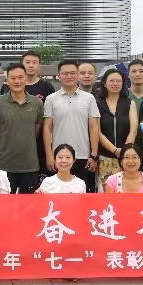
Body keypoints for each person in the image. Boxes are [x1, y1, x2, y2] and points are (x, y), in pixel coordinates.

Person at [43, 60, 100, 192]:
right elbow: (47, 128)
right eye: (65, 73)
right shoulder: (51, 99)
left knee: (83, 196)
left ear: (77, 75)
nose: (69, 76)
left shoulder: (89, 98)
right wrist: (49, 156)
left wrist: (94, 155)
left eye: (73, 73)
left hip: (83, 156)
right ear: (59, 76)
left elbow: (94, 128)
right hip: (59, 157)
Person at [2, 50, 56, 185]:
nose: (31, 65)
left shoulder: (47, 87)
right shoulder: (10, 86)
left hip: (39, 142)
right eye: (27, 62)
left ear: (39, 66)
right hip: (13, 144)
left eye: (34, 62)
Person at [0, 63, 44, 193]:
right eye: (13, 78)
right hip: (5, 164)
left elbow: (37, 128)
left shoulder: (37, 103)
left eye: (20, 77)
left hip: (29, 164)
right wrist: (9, 135)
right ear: (7, 80)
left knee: (29, 203)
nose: (17, 81)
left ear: (26, 79)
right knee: (5, 202)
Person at [96, 69, 138, 191]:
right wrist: (114, 150)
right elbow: (97, 132)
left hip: (127, 158)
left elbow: (133, 130)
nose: (115, 83)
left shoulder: (130, 103)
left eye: (118, 81)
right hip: (105, 157)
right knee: (105, 193)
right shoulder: (97, 104)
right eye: (111, 81)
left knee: (126, 192)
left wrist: (124, 151)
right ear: (105, 83)